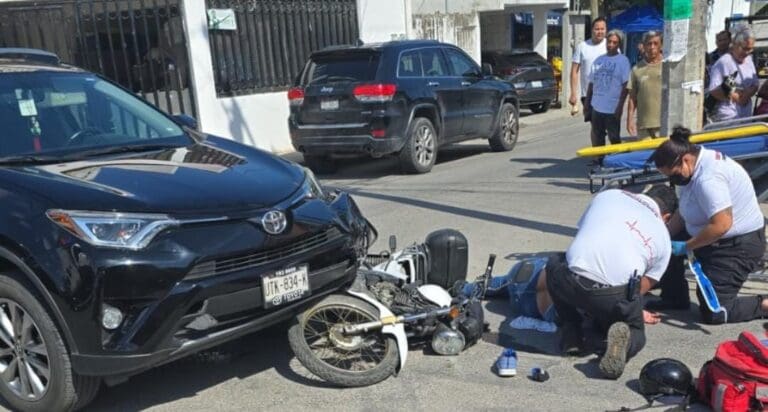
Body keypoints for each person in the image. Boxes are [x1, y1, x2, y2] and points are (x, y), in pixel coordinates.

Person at [546, 185, 678, 379]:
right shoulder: (664, 239)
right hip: (611, 297)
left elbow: (584, 233)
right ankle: (623, 342)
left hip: (568, 282)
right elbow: (641, 288)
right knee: (634, 328)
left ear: (644, 194)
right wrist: (634, 311)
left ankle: (571, 331)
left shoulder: (609, 195)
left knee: (554, 262)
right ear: (666, 217)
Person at [648, 126, 767, 324]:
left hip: (736, 246)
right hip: (711, 235)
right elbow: (684, 212)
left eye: (673, 174)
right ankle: (674, 297)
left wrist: (687, 246)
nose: (672, 180)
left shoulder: (709, 179)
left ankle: (763, 304)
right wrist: (664, 236)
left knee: (716, 311)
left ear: (685, 159)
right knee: (664, 244)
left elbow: (722, 225)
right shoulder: (694, 166)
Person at [585, 29, 630, 153]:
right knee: (597, 136)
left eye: (614, 42)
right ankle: (600, 161)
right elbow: (592, 83)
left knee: (614, 137)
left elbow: (626, 85)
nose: (610, 45)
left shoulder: (623, 61)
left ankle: (617, 162)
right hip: (597, 106)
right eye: (609, 41)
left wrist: (620, 106)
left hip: (612, 107)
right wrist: (587, 103)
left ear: (619, 44)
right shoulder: (599, 60)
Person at [707, 25, 758, 122]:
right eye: (745, 48)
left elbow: (755, 83)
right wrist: (736, 97)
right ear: (735, 44)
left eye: (751, 49)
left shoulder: (748, 60)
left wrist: (748, 94)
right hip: (728, 116)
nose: (748, 52)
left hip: (746, 115)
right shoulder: (724, 62)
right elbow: (713, 89)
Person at [569, 17, 607, 121]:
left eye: (602, 29)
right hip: (588, 95)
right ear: (592, 30)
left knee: (605, 125)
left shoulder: (611, 45)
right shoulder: (582, 47)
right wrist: (573, 93)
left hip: (607, 94)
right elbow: (574, 71)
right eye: (597, 29)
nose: (600, 32)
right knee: (595, 125)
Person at [627, 31, 663, 139]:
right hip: (644, 126)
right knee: (645, 155)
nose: (652, 47)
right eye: (649, 44)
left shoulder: (668, 66)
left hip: (664, 124)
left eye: (655, 43)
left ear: (661, 45)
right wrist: (630, 120)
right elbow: (632, 98)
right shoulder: (636, 69)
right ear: (644, 46)